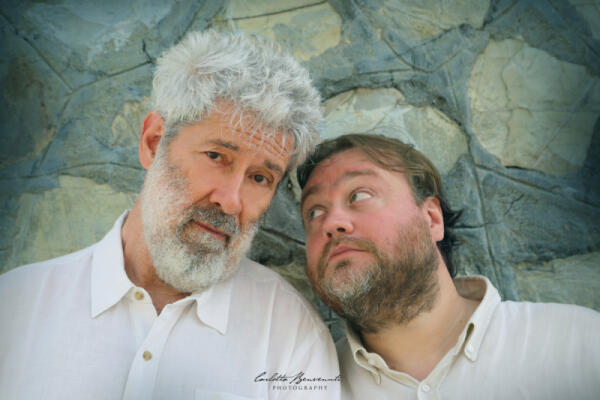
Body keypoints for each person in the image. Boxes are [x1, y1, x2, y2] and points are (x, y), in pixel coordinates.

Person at [0, 30, 340, 399]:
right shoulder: (15, 306)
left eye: (260, 177)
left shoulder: (290, 336)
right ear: (153, 143)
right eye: (216, 156)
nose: (230, 201)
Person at [297, 133, 600, 399]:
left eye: (359, 195)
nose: (331, 222)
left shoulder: (578, 345)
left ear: (432, 219)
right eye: (314, 212)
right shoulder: (304, 387)